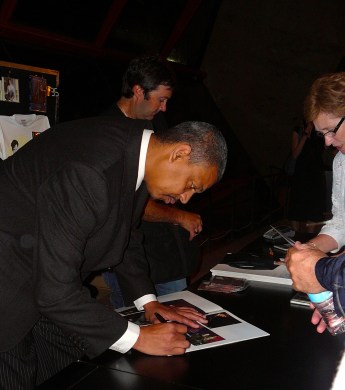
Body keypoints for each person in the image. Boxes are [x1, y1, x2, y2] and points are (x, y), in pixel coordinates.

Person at [0, 116, 227, 389]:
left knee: (71, 368)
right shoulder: (92, 170)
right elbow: (54, 292)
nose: (186, 198)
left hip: (44, 274)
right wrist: (138, 337)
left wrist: (148, 302)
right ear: (179, 153)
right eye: (192, 185)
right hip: (9, 286)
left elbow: (124, 232)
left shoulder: (136, 149)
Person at [102, 54, 203, 308]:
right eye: (161, 99)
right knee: (136, 321)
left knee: (179, 311)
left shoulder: (154, 121)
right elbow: (123, 204)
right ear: (138, 91)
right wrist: (179, 216)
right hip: (127, 254)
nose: (164, 108)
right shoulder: (108, 134)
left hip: (163, 249)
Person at [285, 71, 345, 334]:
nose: (329, 142)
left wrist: (325, 271)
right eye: (323, 135)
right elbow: (342, 222)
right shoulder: (342, 162)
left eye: (332, 130)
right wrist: (309, 251)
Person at [286, 119, 326, 225]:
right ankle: (295, 235)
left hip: (316, 171)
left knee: (315, 205)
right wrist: (305, 134)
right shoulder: (298, 129)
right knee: (297, 202)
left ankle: (310, 236)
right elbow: (295, 154)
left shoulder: (321, 130)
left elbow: (325, 148)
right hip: (301, 172)